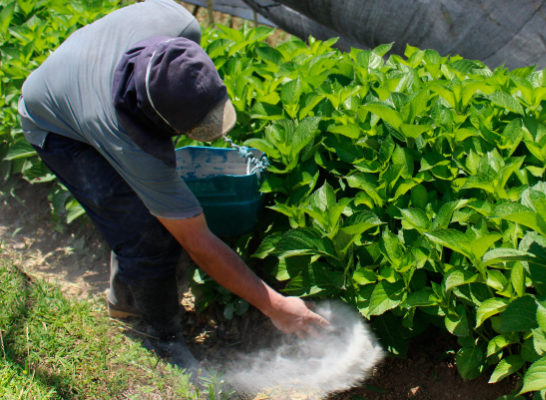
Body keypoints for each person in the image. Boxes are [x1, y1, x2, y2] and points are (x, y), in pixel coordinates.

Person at [17, 0, 328, 373]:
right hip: (54, 124)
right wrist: (275, 305)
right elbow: (198, 242)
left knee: (147, 210)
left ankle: (124, 296)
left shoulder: (179, 24)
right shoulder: (122, 137)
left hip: (81, 76)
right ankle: (159, 338)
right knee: (147, 234)